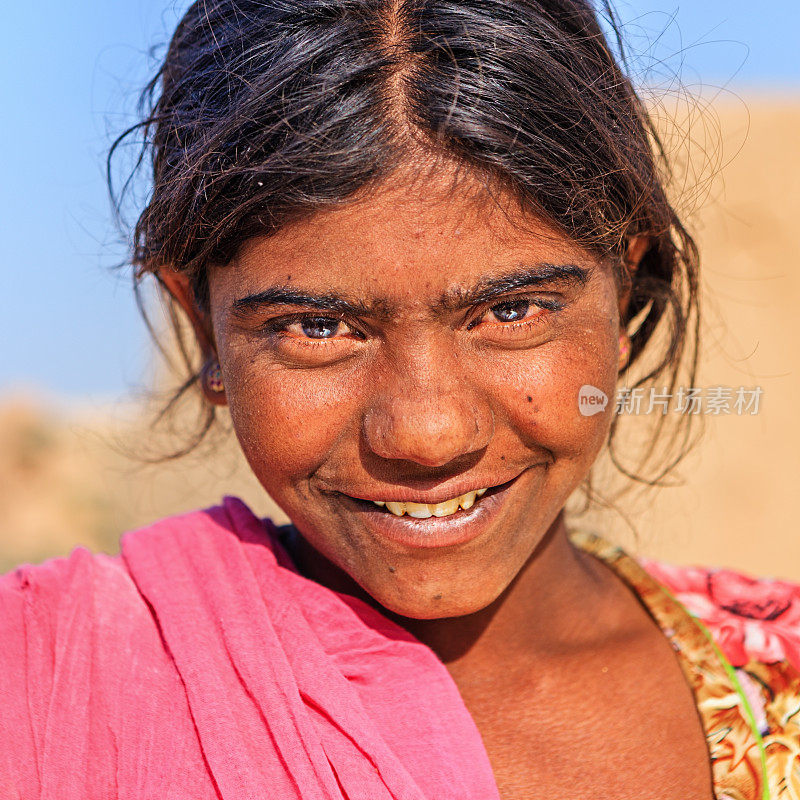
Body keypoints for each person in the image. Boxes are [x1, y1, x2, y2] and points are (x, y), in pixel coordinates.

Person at [1, 0, 798, 797]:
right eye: (319, 327)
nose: (425, 433)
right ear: (204, 332)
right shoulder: (42, 680)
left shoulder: (779, 685)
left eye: (511, 311)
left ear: (623, 295)